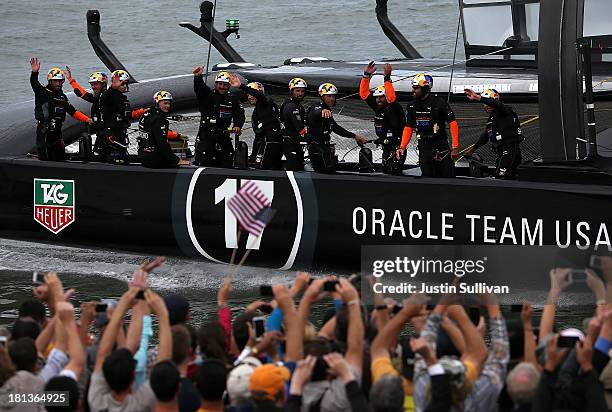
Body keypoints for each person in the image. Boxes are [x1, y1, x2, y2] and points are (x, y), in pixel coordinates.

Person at [396, 73, 460, 177]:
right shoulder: (411, 105)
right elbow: (408, 127)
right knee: (427, 178)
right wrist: (402, 146)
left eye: (416, 88)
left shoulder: (439, 102)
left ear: (425, 89)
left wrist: (455, 147)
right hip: (424, 148)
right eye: (413, 87)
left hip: (440, 146)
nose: (413, 90)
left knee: (448, 177)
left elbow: (453, 123)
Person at [29, 58, 92, 161]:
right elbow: (34, 83)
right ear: (50, 81)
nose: (58, 83)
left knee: (59, 157)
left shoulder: (62, 97)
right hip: (45, 132)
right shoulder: (42, 92)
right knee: (46, 158)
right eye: (55, 81)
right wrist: (34, 72)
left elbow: (73, 112)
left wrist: (87, 119)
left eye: (60, 81)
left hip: (57, 132)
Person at [307, 83, 368, 173]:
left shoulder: (328, 109)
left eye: (333, 96)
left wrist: (354, 136)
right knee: (326, 173)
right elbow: (315, 111)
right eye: (329, 96)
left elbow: (335, 128)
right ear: (322, 96)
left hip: (325, 147)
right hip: (317, 149)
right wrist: (322, 111)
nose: (332, 99)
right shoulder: (317, 107)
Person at [464, 88, 524, 179]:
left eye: (488, 102)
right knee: (504, 177)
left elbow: (498, 105)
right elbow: (485, 136)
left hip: (510, 150)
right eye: (484, 103)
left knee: (500, 178)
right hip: (501, 152)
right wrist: (472, 150)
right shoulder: (491, 119)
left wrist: (478, 97)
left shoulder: (505, 110)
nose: (486, 105)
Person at [360, 62, 407, 175]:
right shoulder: (378, 106)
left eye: (381, 97)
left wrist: (387, 78)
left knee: (394, 172)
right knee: (386, 171)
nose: (378, 100)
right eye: (377, 97)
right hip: (385, 147)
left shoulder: (395, 107)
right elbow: (364, 94)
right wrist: (366, 76)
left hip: (397, 148)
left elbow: (391, 98)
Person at [192, 68, 245, 168]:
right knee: (205, 162)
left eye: (225, 85)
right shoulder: (208, 96)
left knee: (228, 161)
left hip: (224, 136)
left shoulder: (232, 99)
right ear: (215, 84)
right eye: (220, 84)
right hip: (207, 137)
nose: (222, 87)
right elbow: (200, 89)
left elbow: (239, 114)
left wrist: (237, 125)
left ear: (229, 86)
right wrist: (197, 77)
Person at [229, 75, 282, 170]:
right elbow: (258, 137)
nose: (250, 97)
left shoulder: (266, 102)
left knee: (261, 167)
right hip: (265, 141)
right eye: (248, 95)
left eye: (252, 94)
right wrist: (253, 156)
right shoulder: (258, 110)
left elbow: (260, 96)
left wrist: (241, 86)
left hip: (270, 142)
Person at [137, 90, 190, 168]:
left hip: (142, 156)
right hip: (154, 160)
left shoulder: (146, 113)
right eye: (165, 103)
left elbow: (154, 132)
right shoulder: (159, 119)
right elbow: (162, 144)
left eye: (169, 103)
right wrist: (177, 160)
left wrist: (177, 136)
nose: (168, 106)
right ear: (157, 103)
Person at [65, 68, 108, 160]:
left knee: (99, 157)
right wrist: (70, 80)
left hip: (107, 135)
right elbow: (82, 94)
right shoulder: (99, 97)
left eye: (96, 84)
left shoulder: (106, 97)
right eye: (92, 85)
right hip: (101, 133)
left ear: (103, 84)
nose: (93, 87)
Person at [99, 70, 135, 164]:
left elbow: (127, 115)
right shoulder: (109, 96)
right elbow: (104, 99)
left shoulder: (123, 98)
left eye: (126, 84)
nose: (125, 86)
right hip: (112, 133)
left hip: (121, 133)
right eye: (122, 84)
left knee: (123, 158)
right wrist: (112, 87)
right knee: (115, 160)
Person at [280, 78, 308, 171]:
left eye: (302, 91)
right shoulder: (292, 106)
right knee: (294, 168)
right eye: (297, 91)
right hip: (290, 142)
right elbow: (301, 129)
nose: (300, 94)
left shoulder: (295, 104)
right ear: (291, 91)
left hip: (293, 141)